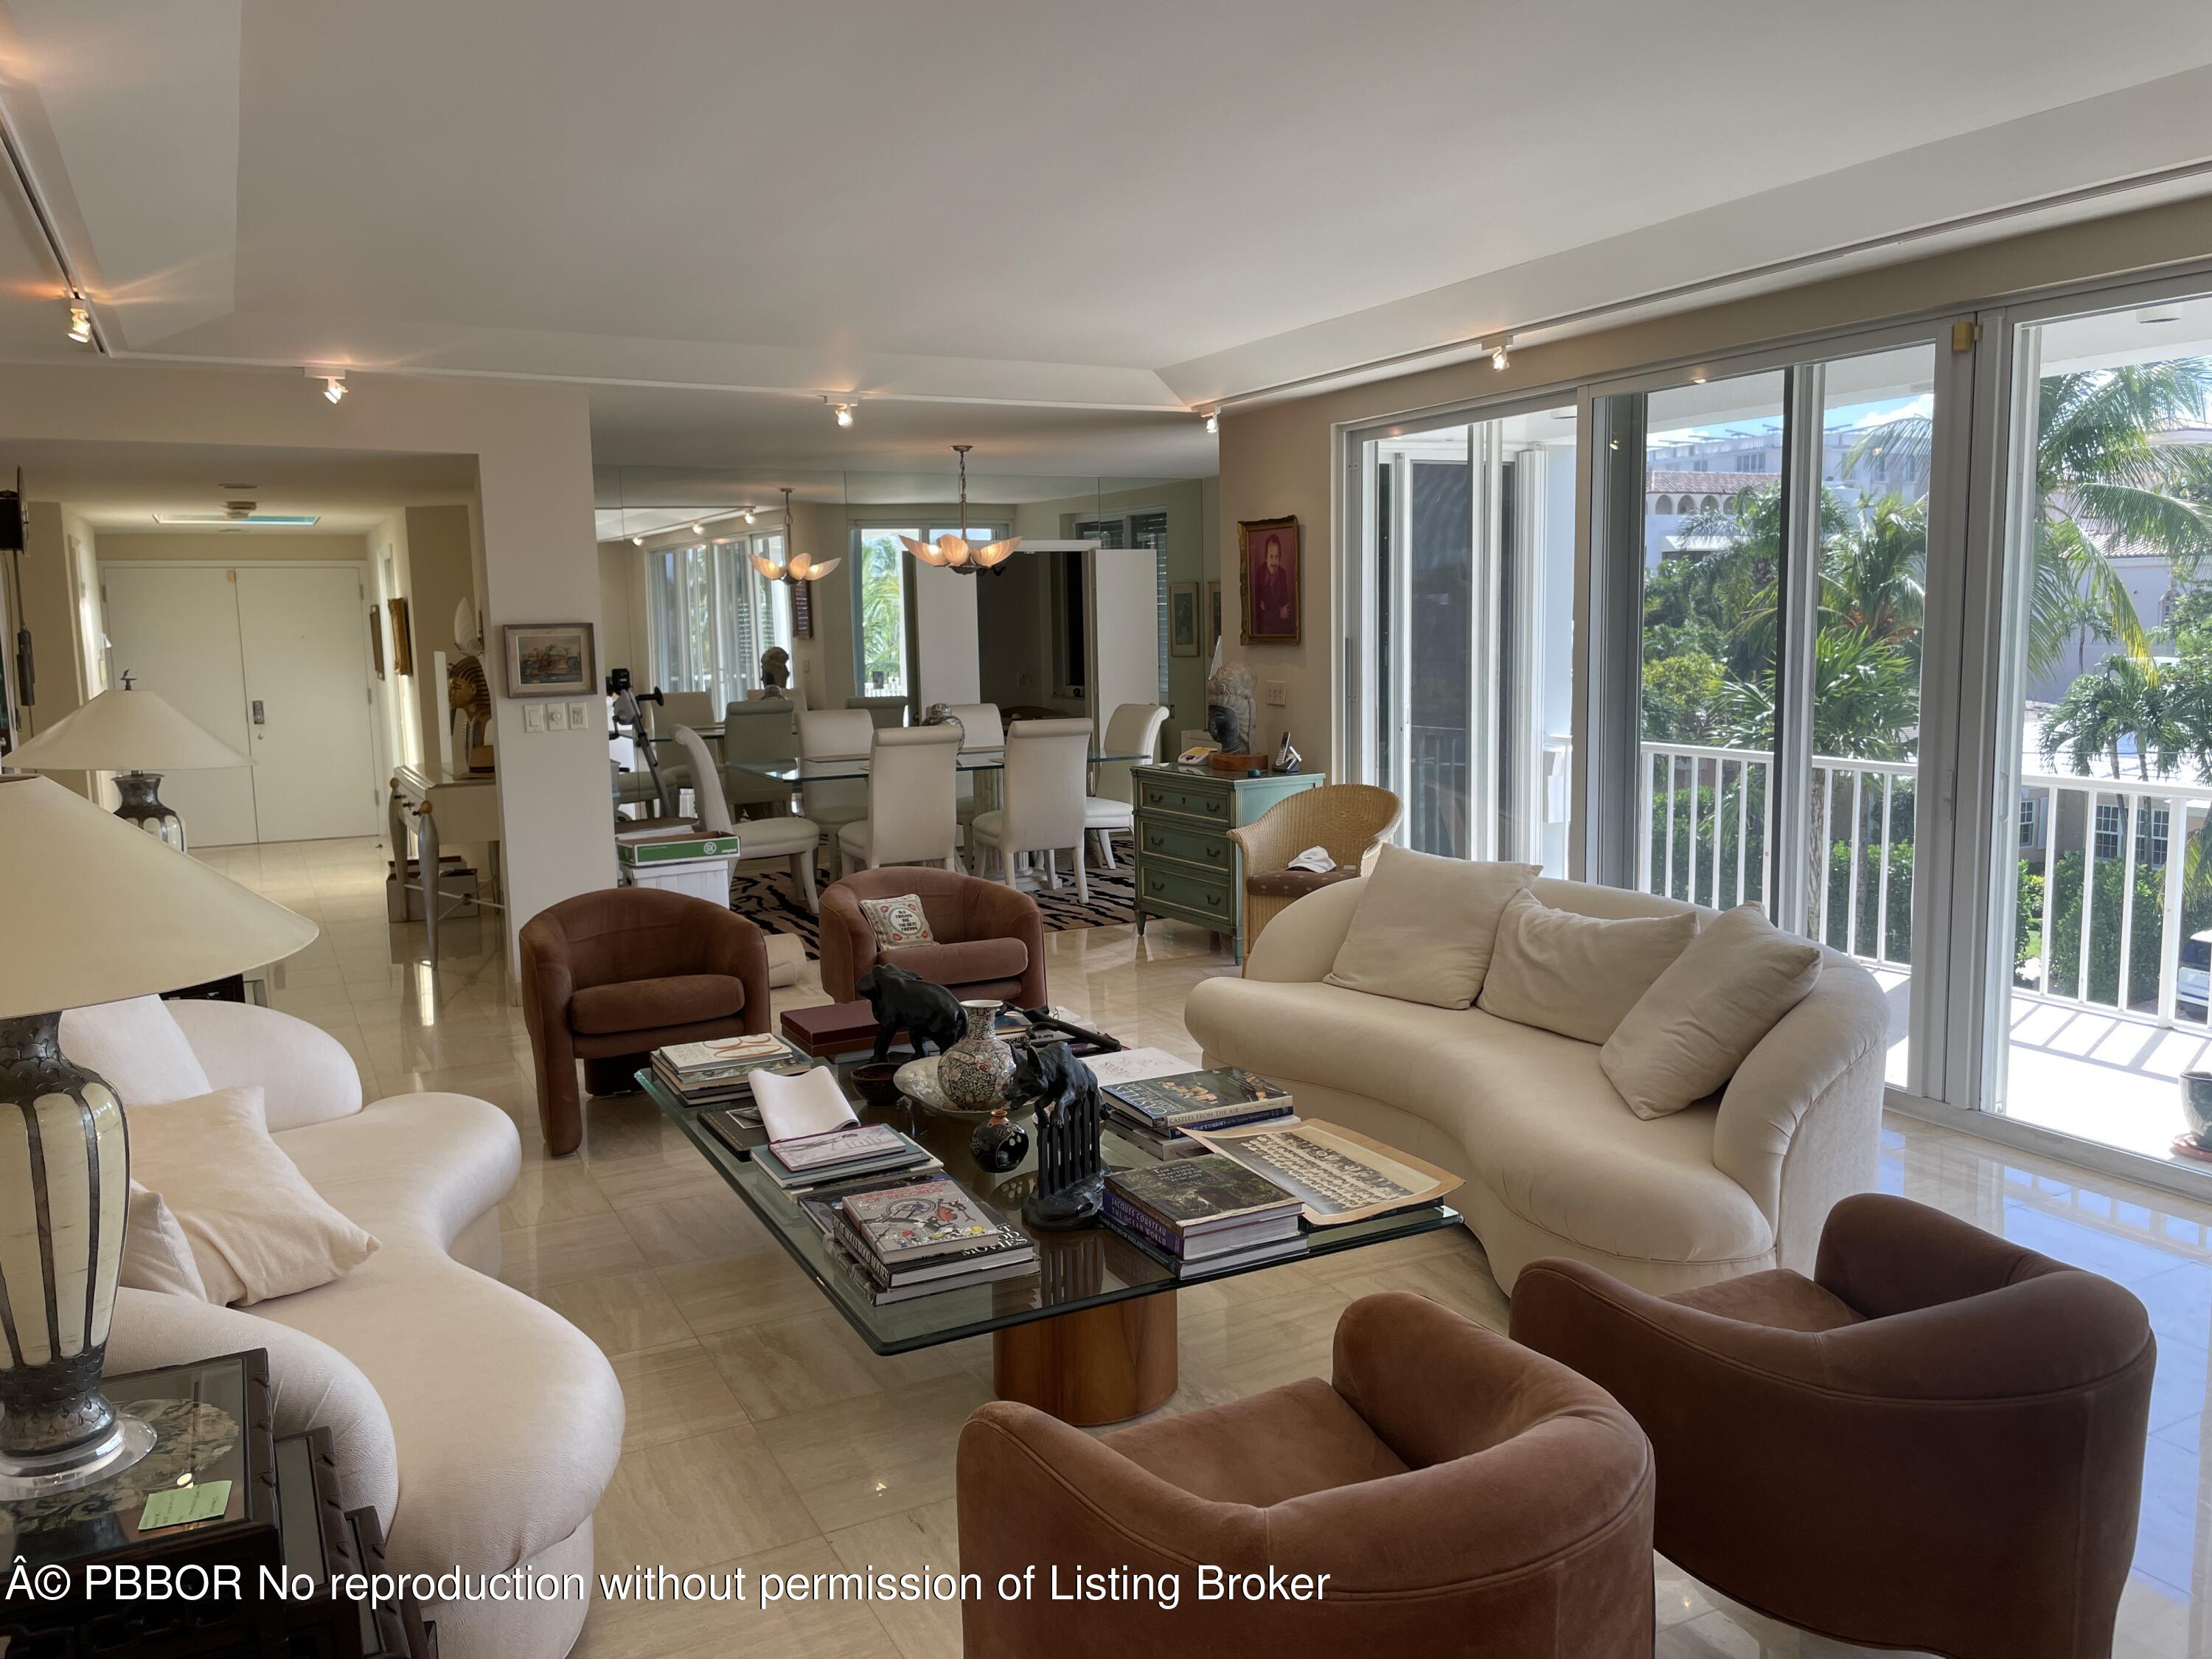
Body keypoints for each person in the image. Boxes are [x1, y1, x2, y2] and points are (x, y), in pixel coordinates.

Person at [1252, 532, 1295, 634]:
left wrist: (1269, 612)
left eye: (1276, 557)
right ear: (1266, 558)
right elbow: (1259, 617)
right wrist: (1278, 613)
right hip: (1263, 635)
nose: (1274, 562)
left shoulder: (1282, 573)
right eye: (1271, 557)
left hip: (1279, 633)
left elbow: (1286, 612)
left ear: (1280, 558)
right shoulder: (1258, 575)